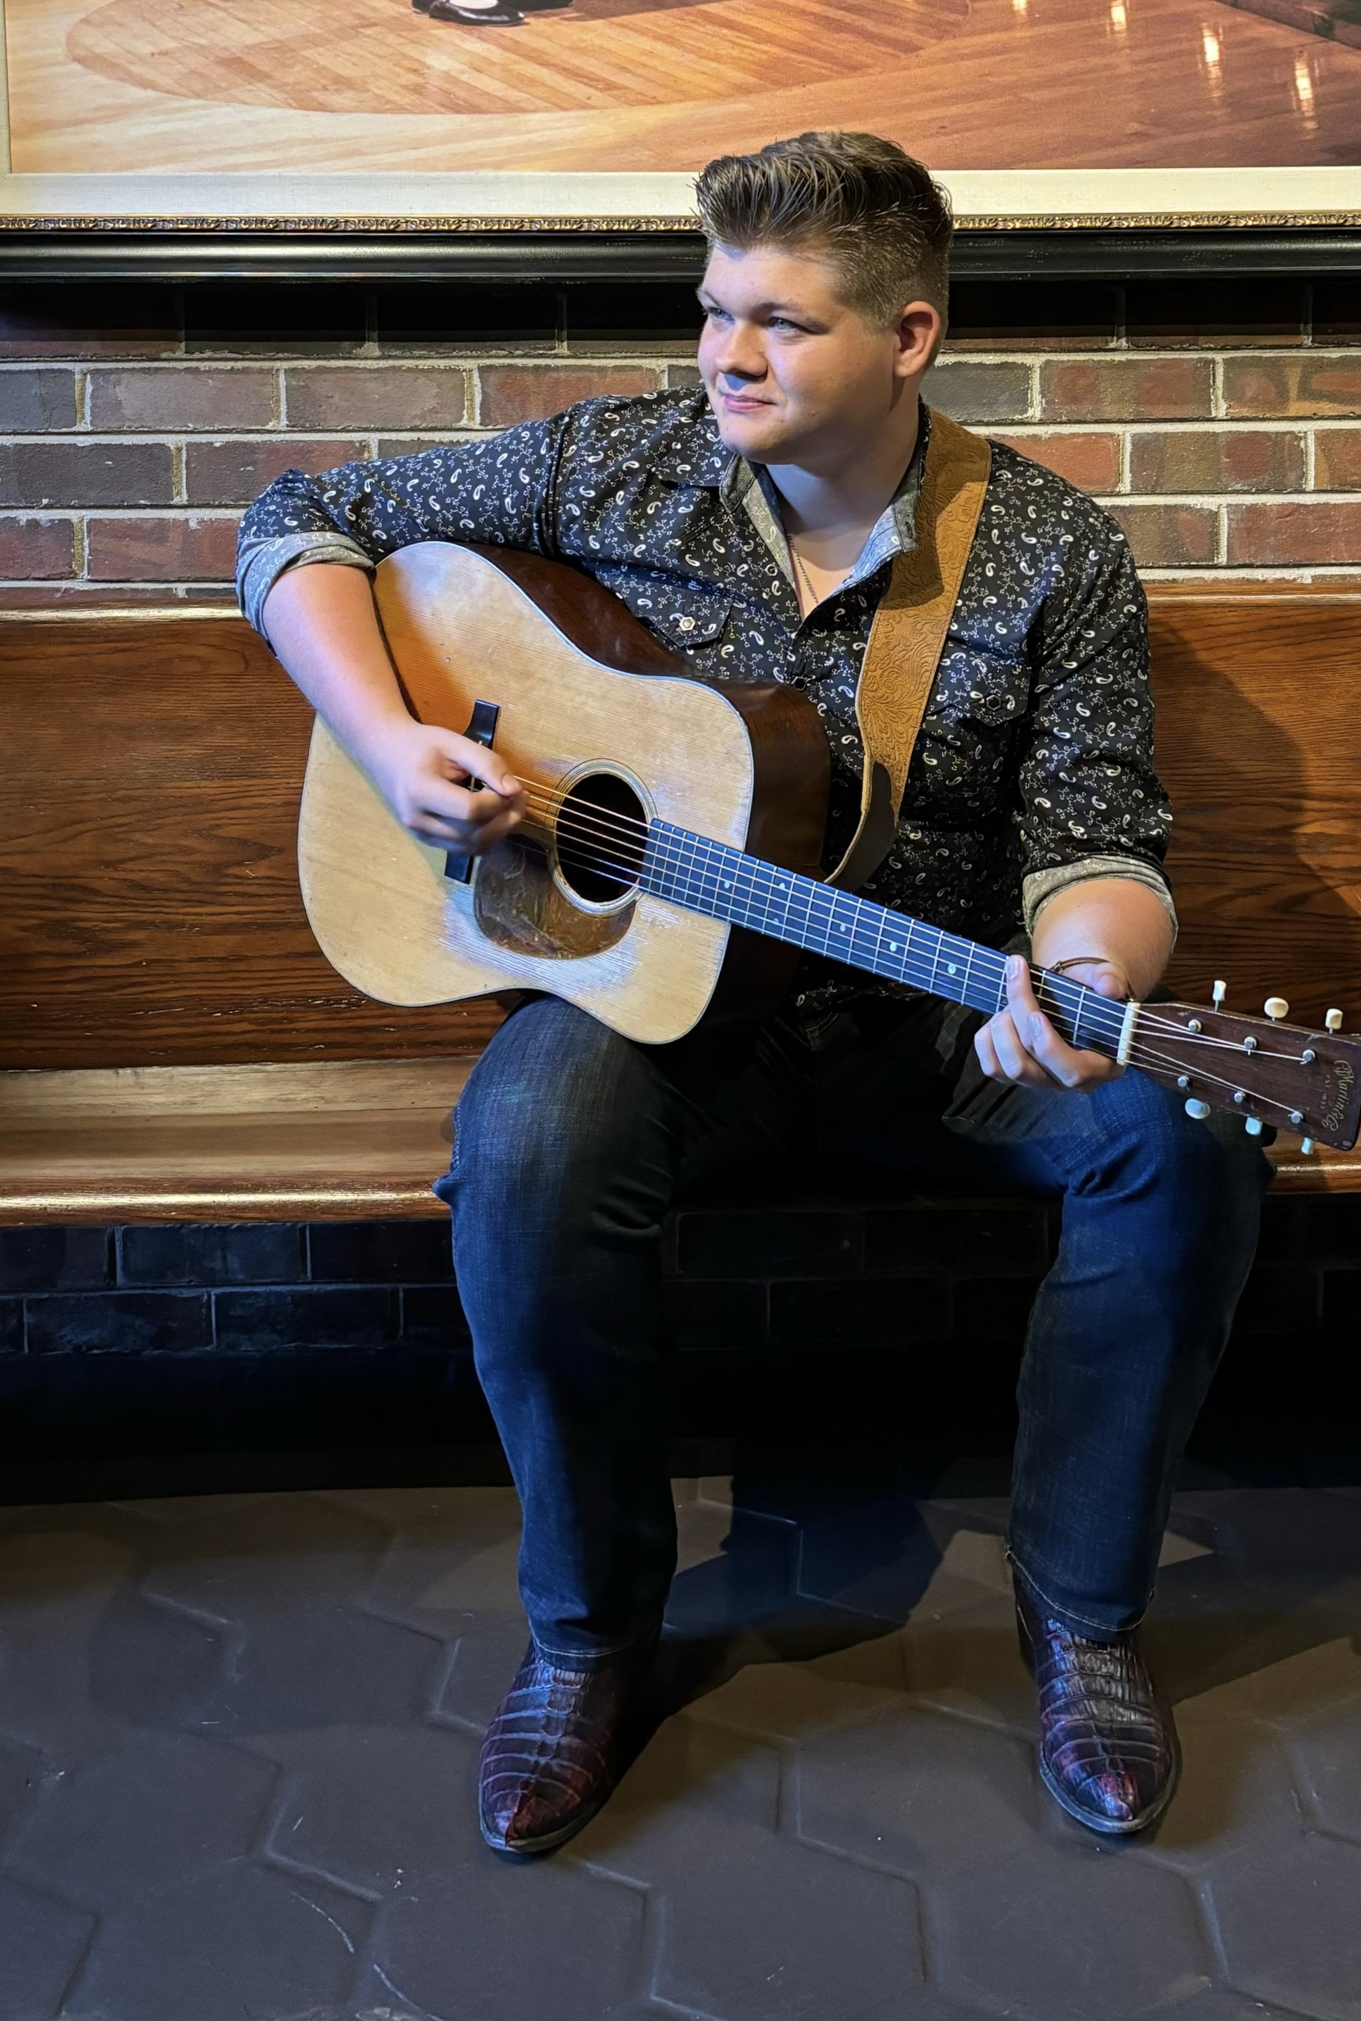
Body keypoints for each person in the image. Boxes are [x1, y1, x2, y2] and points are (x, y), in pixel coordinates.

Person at [237, 130, 1266, 1853]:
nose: (725, 353)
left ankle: (1084, 1619)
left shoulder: (1049, 550)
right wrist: (380, 732)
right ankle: (589, 1637)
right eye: (714, 309)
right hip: (662, 1010)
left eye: (780, 324)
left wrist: (1084, 983)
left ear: (910, 337)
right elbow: (301, 518)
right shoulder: (620, 466)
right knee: (528, 1148)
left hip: (936, 1015)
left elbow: (1102, 835)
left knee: (1185, 1146)